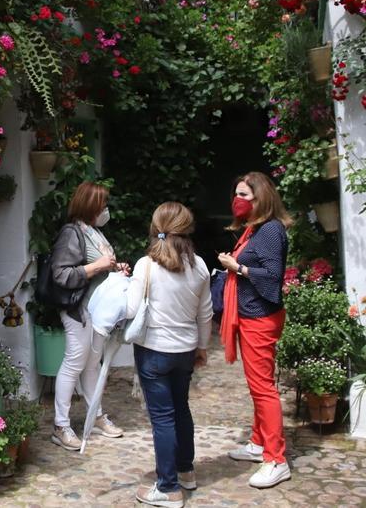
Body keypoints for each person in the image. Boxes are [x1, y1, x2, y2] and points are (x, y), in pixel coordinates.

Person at [129, 202, 213, 508]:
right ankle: (185, 470)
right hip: (186, 350)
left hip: (153, 351)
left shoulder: (145, 265)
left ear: (156, 227)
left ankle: (167, 487)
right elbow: (206, 313)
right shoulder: (200, 265)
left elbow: (131, 309)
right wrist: (202, 347)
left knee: (162, 418)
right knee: (181, 408)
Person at [217, 172, 293, 489]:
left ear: (260, 197)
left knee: (263, 389)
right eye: (236, 194)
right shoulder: (256, 228)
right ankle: (259, 442)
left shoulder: (271, 231)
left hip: (260, 317)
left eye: (244, 195)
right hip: (252, 315)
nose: (238, 200)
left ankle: (276, 459)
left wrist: (239, 268)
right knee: (258, 386)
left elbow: (273, 277)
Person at [48, 181, 130, 451]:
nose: (106, 209)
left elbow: (98, 267)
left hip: (95, 310)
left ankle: (95, 416)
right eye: (102, 205)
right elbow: (61, 274)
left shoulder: (93, 232)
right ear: (90, 206)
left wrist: (116, 269)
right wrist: (96, 266)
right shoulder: (71, 233)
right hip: (77, 310)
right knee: (74, 363)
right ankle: (61, 426)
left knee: (92, 365)